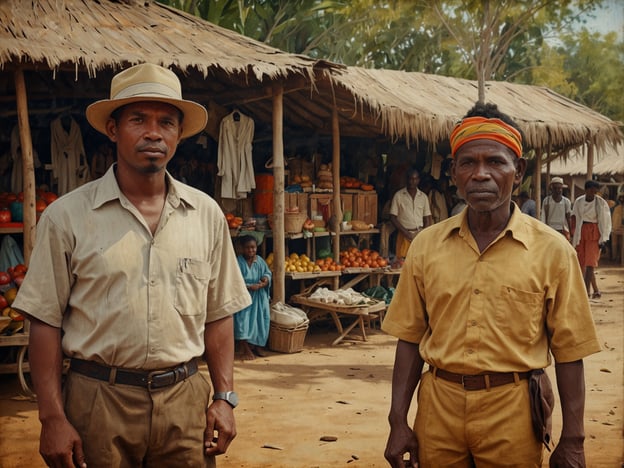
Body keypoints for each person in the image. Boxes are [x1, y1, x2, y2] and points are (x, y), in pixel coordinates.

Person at [13, 63, 252, 468]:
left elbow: (219, 314)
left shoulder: (206, 215)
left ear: (179, 134)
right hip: (97, 403)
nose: (154, 133)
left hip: (184, 400)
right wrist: (52, 416)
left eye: (166, 122)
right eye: (138, 119)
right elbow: (44, 321)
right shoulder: (67, 217)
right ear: (112, 129)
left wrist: (224, 397)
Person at [382, 102, 601, 468]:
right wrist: (397, 421)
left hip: (513, 410)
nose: (480, 174)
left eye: (496, 162)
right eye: (468, 162)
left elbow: (569, 351)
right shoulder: (426, 246)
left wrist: (574, 439)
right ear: (454, 172)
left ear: (519, 171)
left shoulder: (553, 251)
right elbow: (409, 338)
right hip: (438, 407)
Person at [571, 179, 612, 298]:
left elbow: (606, 221)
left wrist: (604, 239)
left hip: (594, 232)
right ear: (586, 190)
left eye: (595, 191)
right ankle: (595, 290)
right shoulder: (579, 201)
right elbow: (574, 218)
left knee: (590, 264)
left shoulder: (601, 203)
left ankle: (586, 292)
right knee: (581, 263)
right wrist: (573, 233)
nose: (593, 193)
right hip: (581, 231)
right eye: (591, 190)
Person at [234, 235, 272, 360]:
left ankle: (257, 346)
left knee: (260, 322)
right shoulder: (238, 262)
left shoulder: (260, 261)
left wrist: (265, 280)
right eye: (248, 248)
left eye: (253, 247)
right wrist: (249, 287)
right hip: (244, 297)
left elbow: (267, 272)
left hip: (259, 297)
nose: (251, 250)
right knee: (243, 322)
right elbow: (234, 280)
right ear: (242, 248)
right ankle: (245, 348)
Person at [389, 168, 432, 259]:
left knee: (418, 263)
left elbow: (427, 218)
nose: (412, 181)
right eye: (410, 179)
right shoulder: (399, 195)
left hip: (419, 235)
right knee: (402, 263)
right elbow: (393, 217)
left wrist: (424, 234)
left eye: (415, 179)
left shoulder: (423, 197)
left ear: (418, 180)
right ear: (406, 180)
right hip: (403, 235)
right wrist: (406, 232)